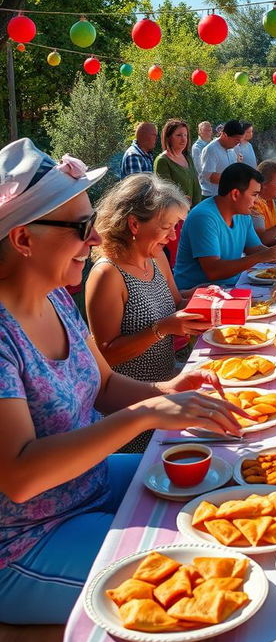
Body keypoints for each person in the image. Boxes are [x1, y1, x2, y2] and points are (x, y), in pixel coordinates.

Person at [0, 140, 245, 624]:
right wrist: (148, 412)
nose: (93, 240)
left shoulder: (56, 300)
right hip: (29, 539)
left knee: (221, 497)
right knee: (200, 579)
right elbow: (20, 476)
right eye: (79, 228)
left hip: (87, 487)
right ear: (24, 239)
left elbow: (106, 386)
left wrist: (170, 390)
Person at [86, 175, 213, 452]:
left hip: (169, 383)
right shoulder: (107, 274)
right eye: (167, 226)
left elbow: (176, 303)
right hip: (133, 410)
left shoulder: (156, 257)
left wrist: (207, 298)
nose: (174, 235)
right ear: (134, 224)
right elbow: (105, 355)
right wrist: (163, 328)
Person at [174, 163, 276, 289]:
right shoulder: (204, 217)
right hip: (196, 295)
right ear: (235, 194)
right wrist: (262, 256)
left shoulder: (243, 214)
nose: (256, 200)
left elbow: (254, 249)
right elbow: (213, 271)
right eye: (254, 194)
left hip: (231, 287)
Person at [154, 120, 201, 208]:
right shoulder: (163, 160)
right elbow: (167, 193)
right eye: (179, 135)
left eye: (185, 135)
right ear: (169, 137)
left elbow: (196, 185)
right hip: (175, 215)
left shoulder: (188, 157)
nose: (183, 139)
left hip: (193, 212)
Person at [199, 119, 243, 197]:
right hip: (212, 197)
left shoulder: (232, 149)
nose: (238, 143)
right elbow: (210, 177)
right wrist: (234, 178)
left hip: (227, 196)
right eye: (236, 140)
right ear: (225, 135)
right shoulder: (211, 150)